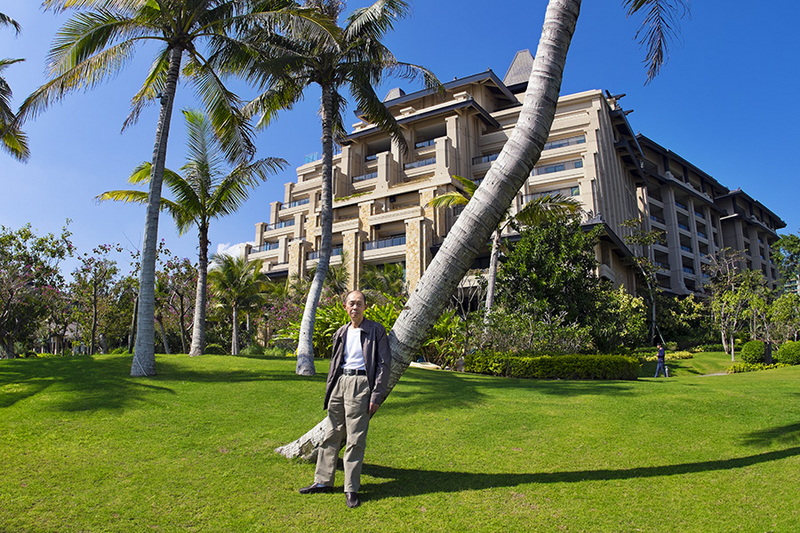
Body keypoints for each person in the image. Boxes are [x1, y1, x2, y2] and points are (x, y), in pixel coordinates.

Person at [299, 290, 391, 508]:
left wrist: (376, 394)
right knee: (331, 434)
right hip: (340, 383)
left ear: (365, 307)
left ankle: (351, 488)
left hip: (361, 385)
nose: (355, 307)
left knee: (355, 438)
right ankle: (322, 482)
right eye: (351, 303)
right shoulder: (341, 332)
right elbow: (335, 362)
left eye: (359, 304)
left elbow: (384, 365)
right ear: (345, 307)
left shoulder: (376, 330)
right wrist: (331, 388)